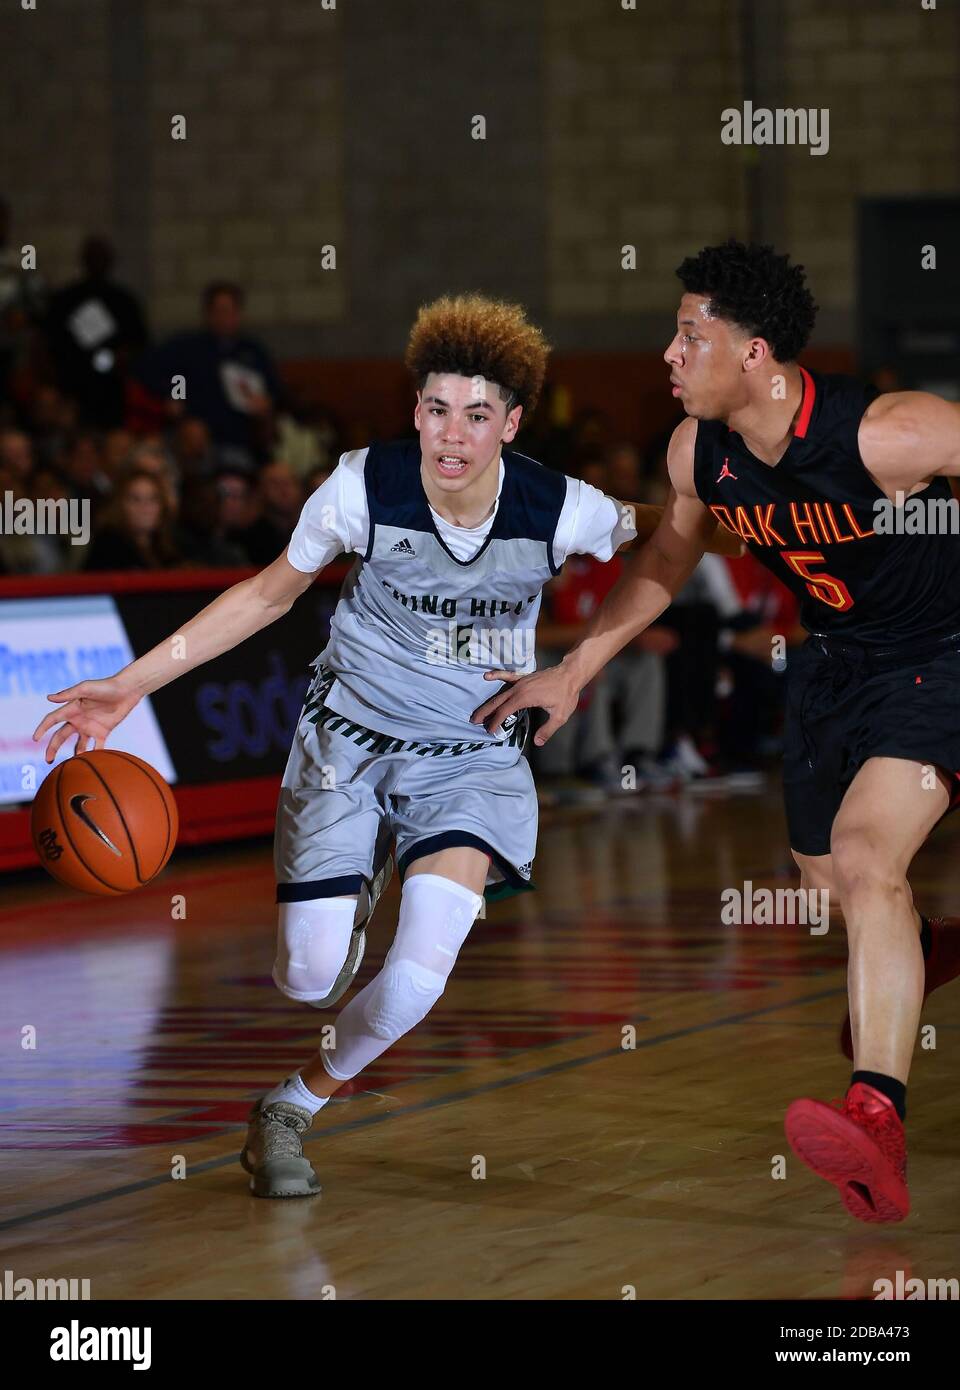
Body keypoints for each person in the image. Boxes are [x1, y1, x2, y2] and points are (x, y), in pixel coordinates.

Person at [33, 292, 736, 1200]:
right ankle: (355, 879)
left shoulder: (556, 505)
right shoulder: (364, 485)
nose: (453, 434)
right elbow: (265, 594)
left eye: (478, 415)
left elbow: (680, 535)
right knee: (308, 975)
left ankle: (291, 1107)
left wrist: (589, 659)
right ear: (415, 411)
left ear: (511, 423)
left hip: (473, 749)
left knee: (416, 975)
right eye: (437, 409)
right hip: (350, 735)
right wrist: (131, 684)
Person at [474, 240, 960, 1226]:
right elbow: (663, 554)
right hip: (832, 665)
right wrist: (575, 668)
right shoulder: (700, 453)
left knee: (870, 858)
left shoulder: (887, 433)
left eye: (690, 334)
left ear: (756, 354)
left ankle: (880, 1120)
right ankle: (920, 947)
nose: (668, 351)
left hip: (938, 653)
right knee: (830, 876)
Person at [134, 281, 282, 464]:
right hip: (196, 435)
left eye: (230, 311)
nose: (224, 317)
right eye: (219, 311)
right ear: (207, 313)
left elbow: (275, 392)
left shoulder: (253, 352)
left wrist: (264, 405)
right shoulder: (186, 348)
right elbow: (147, 370)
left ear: (239, 313)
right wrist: (173, 395)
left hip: (242, 438)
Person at [45, 235, 149, 429]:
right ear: (84, 260)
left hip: (111, 386)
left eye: (102, 257)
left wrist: (121, 358)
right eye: (93, 257)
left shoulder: (123, 300)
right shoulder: (66, 299)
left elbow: (139, 343)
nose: (97, 262)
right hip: (72, 383)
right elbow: (50, 341)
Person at [83, 468, 182, 571]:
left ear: (162, 506)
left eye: (153, 499)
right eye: (135, 499)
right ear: (121, 505)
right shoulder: (107, 548)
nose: (145, 507)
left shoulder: (169, 548)